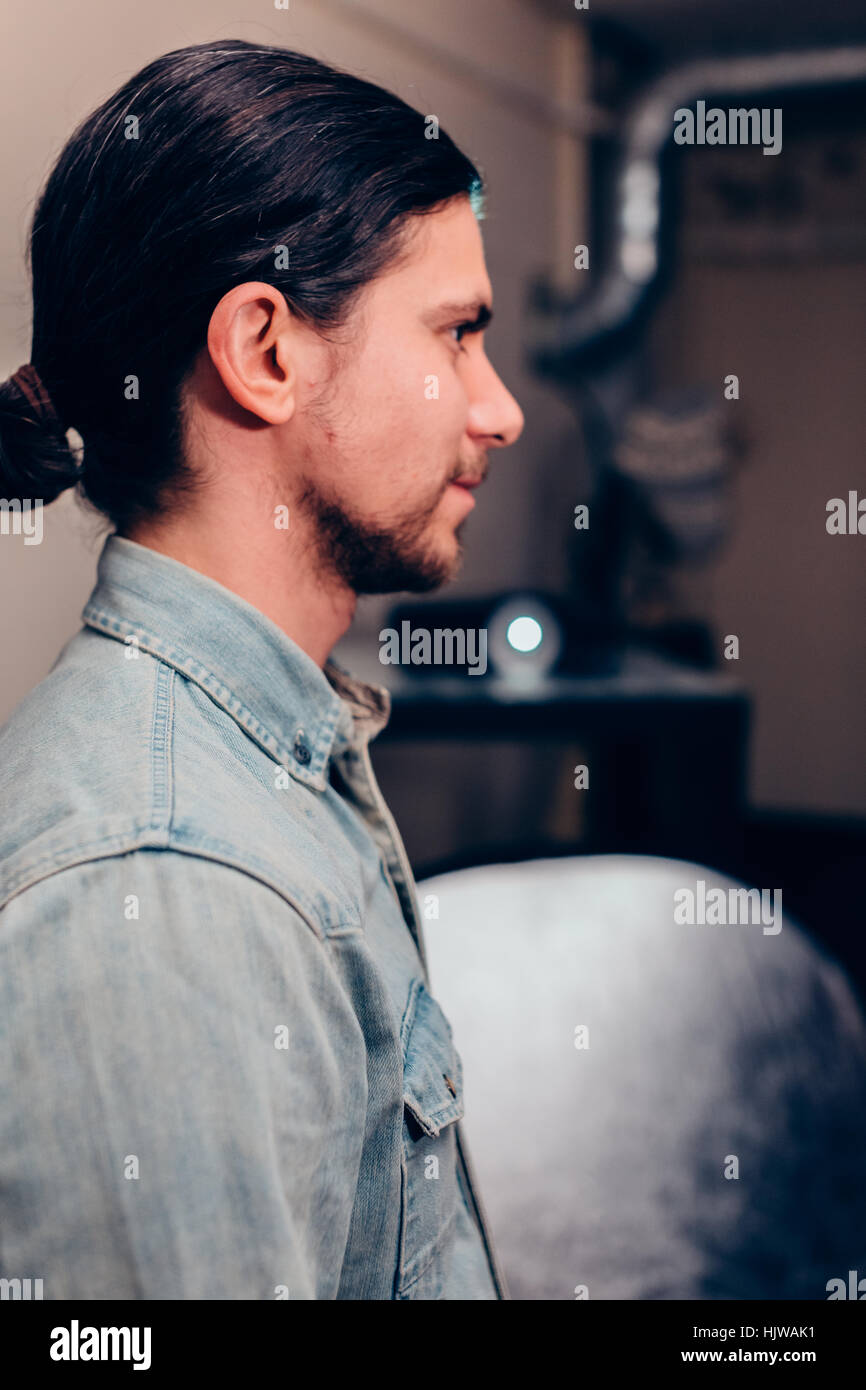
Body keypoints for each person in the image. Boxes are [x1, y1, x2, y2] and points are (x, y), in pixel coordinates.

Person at [0, 38, 523, 1300]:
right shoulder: (165, 886)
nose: (497, 408)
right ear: (267, 353)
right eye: (455, 335)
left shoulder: (262, 766)